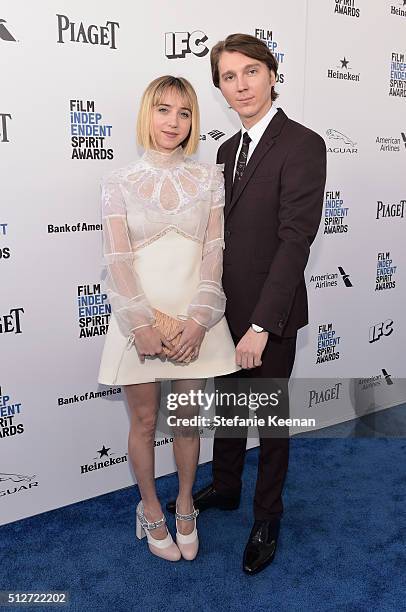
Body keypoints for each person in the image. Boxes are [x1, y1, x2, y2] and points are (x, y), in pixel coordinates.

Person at [167, 33, 327, 575]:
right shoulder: (224, 150)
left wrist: (261, 323)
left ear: (272, 75)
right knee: (231, 408)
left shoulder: (303, 144)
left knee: (271, 420)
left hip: (270, 314)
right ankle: (229, 487)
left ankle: (267, 515)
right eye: (228, 77)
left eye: (250, 72)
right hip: (224, 309)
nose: (241, 85)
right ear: (220, 88)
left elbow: (294, 239)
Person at [98, 75, 239, 562]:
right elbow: (117, 261)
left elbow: (214, 254)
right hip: (143, 322)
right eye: (163, 110)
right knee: (142, 420)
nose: (173, 122)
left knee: (186, 422)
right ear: (147, 113)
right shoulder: (119, 181)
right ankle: (151, 509)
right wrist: (144, 325)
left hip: (194, 322)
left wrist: (198, 321)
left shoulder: (209, 179)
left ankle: (184, 506)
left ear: (193, 120)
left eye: (183, 113)